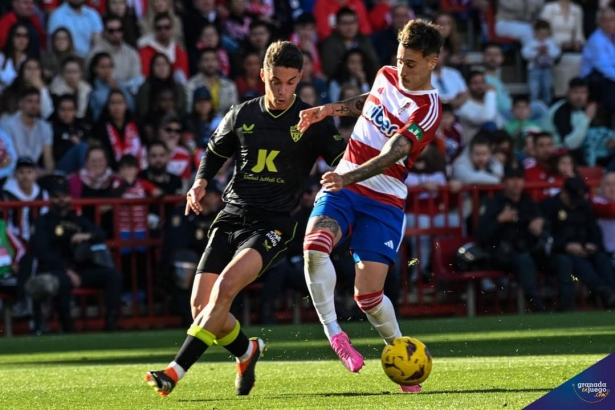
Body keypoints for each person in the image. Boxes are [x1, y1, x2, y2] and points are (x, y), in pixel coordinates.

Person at [144, 40, 347, 397]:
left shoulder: (311, 121)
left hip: (274, 223)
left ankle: (174, 371)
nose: (282, 91)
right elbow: (214, 151)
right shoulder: (242, 114)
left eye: (290, 82)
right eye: (275, 82)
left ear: (299, 78)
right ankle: (246, 350)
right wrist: (199, 184)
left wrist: (346, 174)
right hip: (232, 215)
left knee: (225, 289)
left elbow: (343, 160)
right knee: (201, 309)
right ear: (262, 75)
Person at [296, 19, 443, 393]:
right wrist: (329, 110)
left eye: (411, 63)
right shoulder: (387, 74)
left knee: (369, 297)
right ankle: (335, 334)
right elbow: (369, 101)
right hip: (345, 186)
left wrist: (349, 176)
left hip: (384, 199)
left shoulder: (428, 109)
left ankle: (401, 353)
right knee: (314, 247)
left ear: (432, 62)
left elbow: (397, 150)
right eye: (399, 60)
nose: (402, 70)